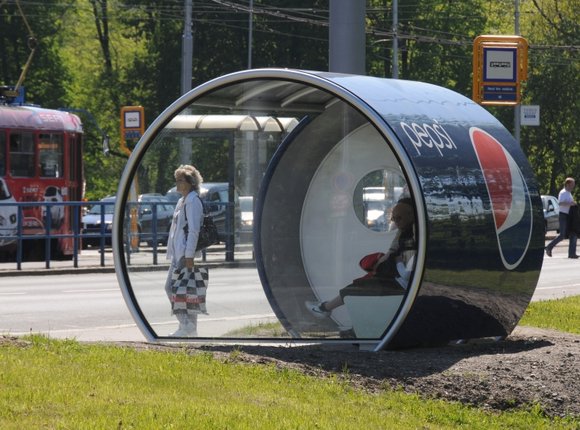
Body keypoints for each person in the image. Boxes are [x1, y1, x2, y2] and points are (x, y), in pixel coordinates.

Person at [305, 198, 416, 319]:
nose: (395, 222)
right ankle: (326, 309)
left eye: (399, 218)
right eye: (393, 218)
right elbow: (394, 253)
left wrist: (396, 261)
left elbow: (407, 273)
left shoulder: (410, 240)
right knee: (359, 287)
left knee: (356, 289)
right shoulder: (405, 233)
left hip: (399, 283)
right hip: (395, 280)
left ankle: (324, 309)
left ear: (411, 215)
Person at [165, 164, 205, 336]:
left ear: (190, 182)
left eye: (181, 180)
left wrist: (189, 256)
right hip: (178, 253)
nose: (177, 184)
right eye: (177, 180)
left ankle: (186, 324)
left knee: (172, 288)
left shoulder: (193, 201)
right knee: (187, 290)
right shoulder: (182, 201)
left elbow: (194, 230)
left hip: (184, 254)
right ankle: (190, 328)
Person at [546, 177, 578, 259]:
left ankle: (572, 253)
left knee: (573, 233)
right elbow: (560, 203)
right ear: (567, 184)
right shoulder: (563, 192)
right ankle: (549, 247)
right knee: (562, 235)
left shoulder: (569, 193)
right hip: (563, 215)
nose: (573, 186)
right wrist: (570, 203)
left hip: (569, 216)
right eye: (572, 184)